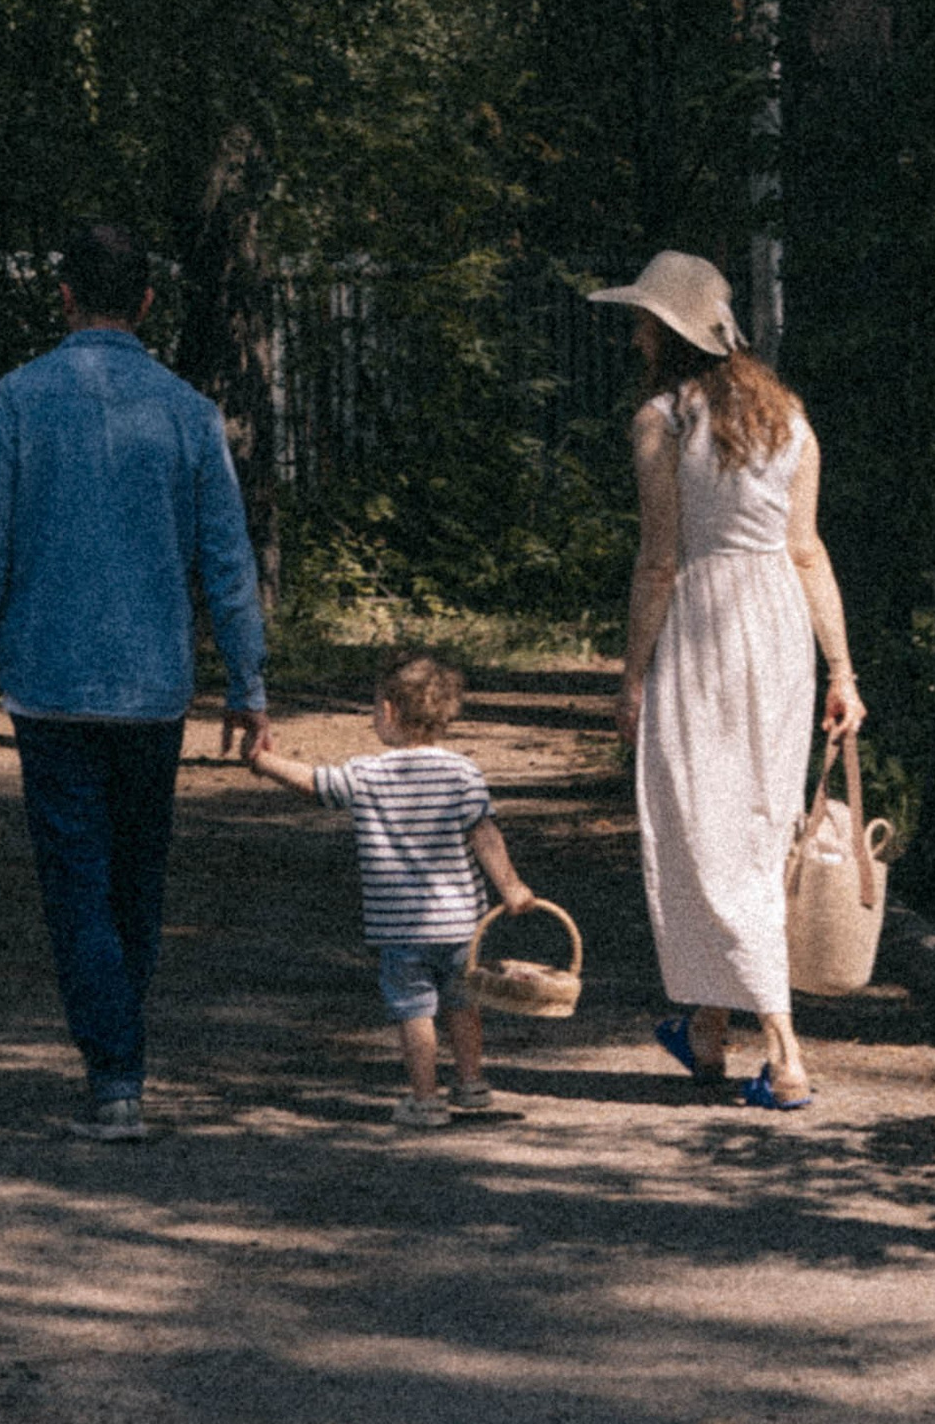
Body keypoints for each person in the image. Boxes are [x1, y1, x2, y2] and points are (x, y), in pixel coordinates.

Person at [0, 219, 266, 1141]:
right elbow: (226, 558)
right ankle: (120, 1060)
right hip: (153, 685)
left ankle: (115, 1073)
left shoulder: (15, 401)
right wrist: (247, 683)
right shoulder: (188, 412)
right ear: (147, 303)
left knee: (77, 884)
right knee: (136, 883)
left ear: (66, 296)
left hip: (49, 681)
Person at [590, 248, 864, 1110]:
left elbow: (659, 561)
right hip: (777, 629)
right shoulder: (789, 419)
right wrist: (842, 668)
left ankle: (784, 1053)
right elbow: (807, 550)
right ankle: (707, 1029)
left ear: (671, 331)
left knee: (706, 833)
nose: (635, 335)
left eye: (644, 321)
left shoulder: (662, 421)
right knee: (749, 827)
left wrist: (632, 678)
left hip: (704, 627)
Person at [246, 650, 539, 1127]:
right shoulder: (463, 772)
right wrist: (511, 886)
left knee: (414, 1011)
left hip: (401, 928)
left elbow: (315, 784)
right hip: (462, 923)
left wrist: (263, 761)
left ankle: (425, 1100)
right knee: (463, 1001)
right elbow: (484, 833)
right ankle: (471, 1083)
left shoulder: (367, 773)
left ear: (388, 711)